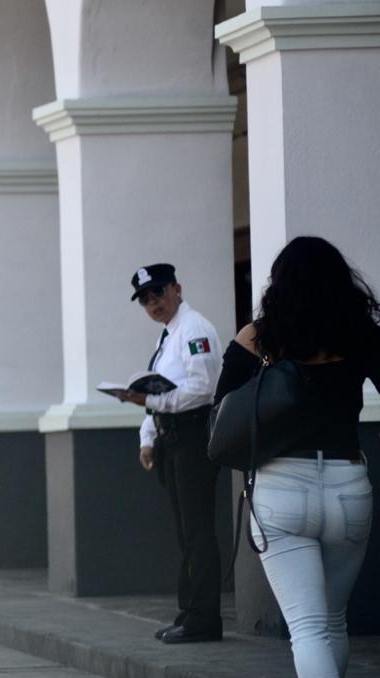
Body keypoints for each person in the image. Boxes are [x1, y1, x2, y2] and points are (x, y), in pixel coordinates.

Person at [213, 237, 378, 677]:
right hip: (348, 486)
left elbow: (223, 409)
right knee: (332, 619)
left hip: (281, 488)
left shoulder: (260, 335)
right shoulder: (359, 332)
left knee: (307, 629)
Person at [117, 264, 223, 643]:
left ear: (177, 288)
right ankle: (189, 613)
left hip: (192, 437)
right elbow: (158, 393)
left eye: (158, 293)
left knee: (197, 532)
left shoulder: (194, 329)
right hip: (170, 439)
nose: (153, 303)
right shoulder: (168, 336)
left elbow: (202, 389)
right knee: (185, 533)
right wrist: (147, 438)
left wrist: (147, 400)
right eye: (145, 299)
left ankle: (205, 619)